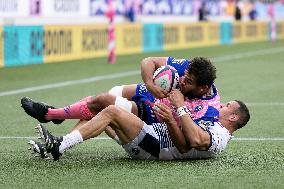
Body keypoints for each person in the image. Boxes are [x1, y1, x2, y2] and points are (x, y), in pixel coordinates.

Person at [28, 91, 250, 161]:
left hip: (155, 146)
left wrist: (179, 110)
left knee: (112, 111)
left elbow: (193, 142)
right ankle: (55, 146)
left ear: (233, 118)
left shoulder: (220, 136)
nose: (221, 105)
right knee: (99, 108)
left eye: (227, 106)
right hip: (151, 139)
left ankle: (60, 144)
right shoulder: (215, 126)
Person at [21, 56, 220, 132]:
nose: (183, 80)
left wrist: (179, 106)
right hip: (151, 94)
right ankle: (57, 116)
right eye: (184, 76)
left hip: (153, 114)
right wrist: (150, 84)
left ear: (203, 88)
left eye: (189, 82)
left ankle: (52, 116)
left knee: (103, 103)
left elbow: (192, 137)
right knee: (113, 92)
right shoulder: (187, 66)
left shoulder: (208, 105)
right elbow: (147, 61)